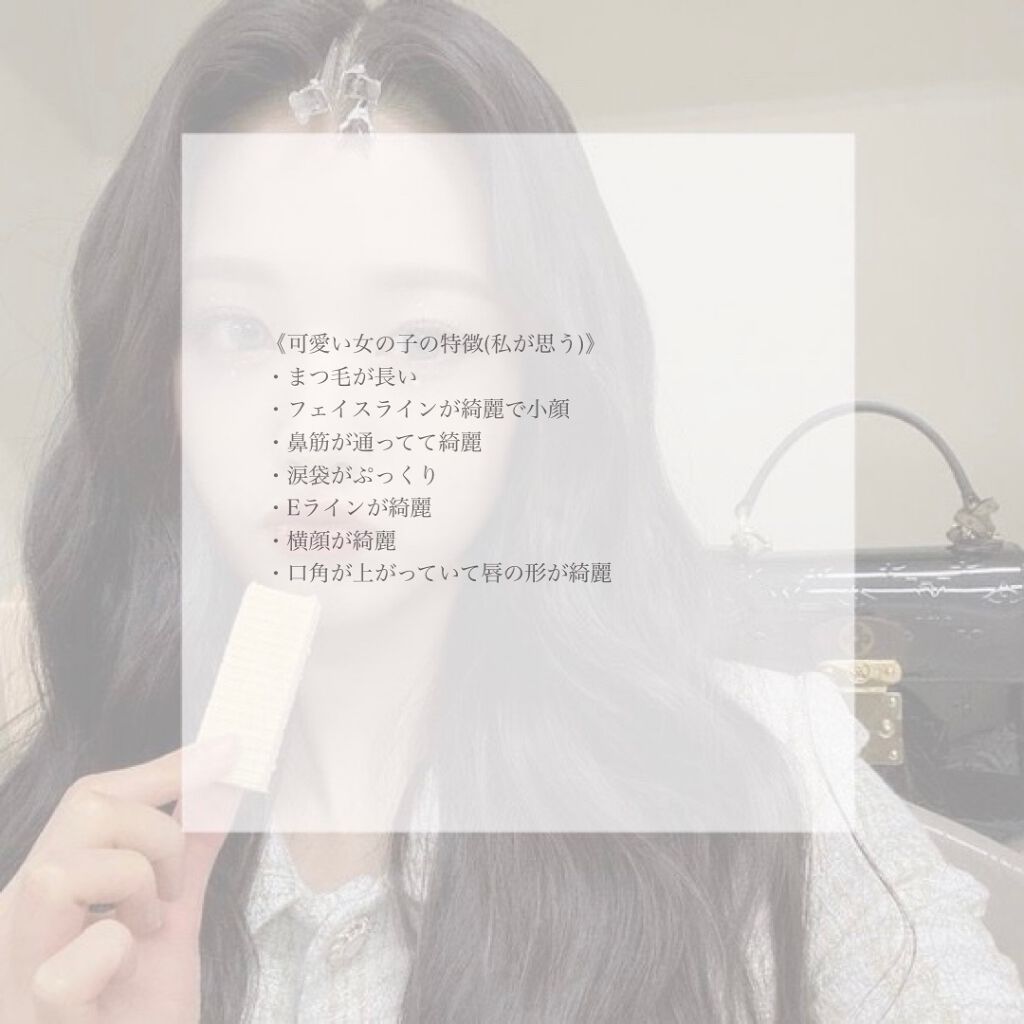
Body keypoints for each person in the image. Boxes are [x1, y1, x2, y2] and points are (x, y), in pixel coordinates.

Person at [1, 0, 1023, 1020]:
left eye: (421, 339)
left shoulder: (770, 779)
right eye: (240, 329)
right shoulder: (53, 855)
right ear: (156, 385)